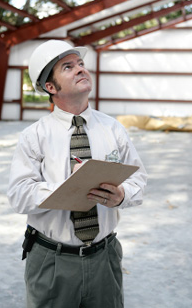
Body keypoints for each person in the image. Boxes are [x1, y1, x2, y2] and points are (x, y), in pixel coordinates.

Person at [8, 40, 147, 308]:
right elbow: (18, 195)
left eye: (81, 64)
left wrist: (121, 195)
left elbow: (138, 179)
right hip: (52, 261)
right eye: (68, 67)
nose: (81, 69)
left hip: (104, 258)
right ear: (51, 87)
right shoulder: (35, 136)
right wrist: (68, 188)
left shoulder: (113, 129)